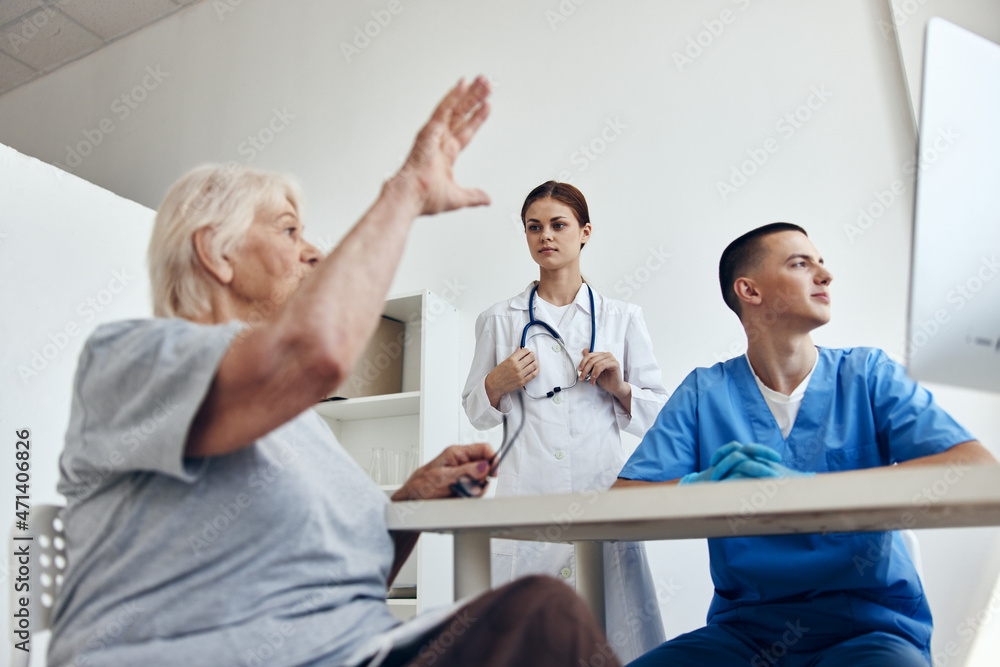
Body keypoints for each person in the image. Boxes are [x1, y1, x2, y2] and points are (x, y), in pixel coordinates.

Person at [48, 77, 621, 667]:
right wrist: (408, 190)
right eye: (290, 229)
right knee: (543, 620)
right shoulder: (131, 357)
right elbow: (314, 354)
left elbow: (351, 578)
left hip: (358, 651)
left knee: (542, 619)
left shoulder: (302, 424)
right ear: (216, 254)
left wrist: (412, 500)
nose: (315, 252)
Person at [614, 222, 997, 666]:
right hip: (744, 633)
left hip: (868, 627)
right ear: (749, 291)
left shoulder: (868, 375)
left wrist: (808, 488)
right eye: (801, 263)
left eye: (822, 263)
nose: (825, 275)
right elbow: (622, 507)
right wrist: (696, 489)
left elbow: (975, 467)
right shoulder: (705, 393)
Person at [462, 181, 668, 662]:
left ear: (585, 232)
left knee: (614, 638)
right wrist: (496, 381)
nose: (545, 236)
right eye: (534, 227)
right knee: (530, 648)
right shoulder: (498, 319)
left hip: (601, 500)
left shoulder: (622, 317)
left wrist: (620, 388)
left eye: (558, 225)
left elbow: (660, 416)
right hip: (528, 502)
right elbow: (476, 412)